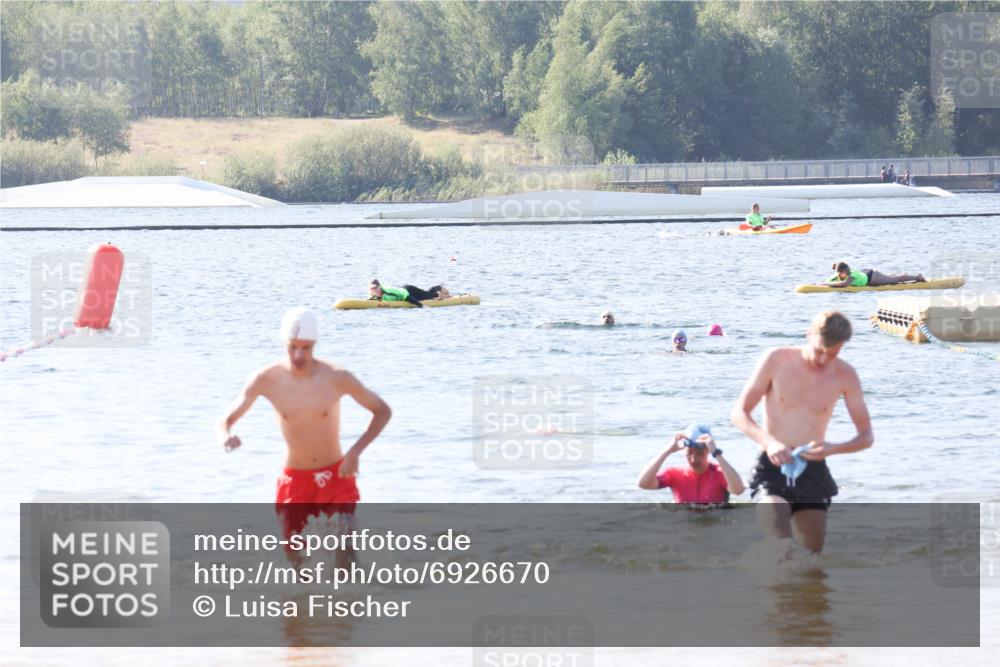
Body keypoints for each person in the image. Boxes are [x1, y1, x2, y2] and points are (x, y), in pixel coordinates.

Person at [218, 307, 392, 545]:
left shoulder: (336, 377)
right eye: (293, 347)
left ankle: (356, 581)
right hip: (295, 480)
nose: (299, 356)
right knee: (296, 560)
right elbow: (226, 420)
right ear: (284, 344)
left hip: (336, 476)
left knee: (344, 552)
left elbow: (382, 411)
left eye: (306, 348)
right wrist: (226, 435)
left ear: (315, 345)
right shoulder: (266, 379)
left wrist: (355, 452)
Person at [731, 310, 874, 553]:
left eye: (833, 354)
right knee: (783, 546)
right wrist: (769, 443)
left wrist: (833, 448)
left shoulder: (845, 375)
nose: (824, 360)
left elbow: (866, 436)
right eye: (819, 351)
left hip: (812, 470)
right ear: (809, 334)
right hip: (772, 466)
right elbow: (739, 413)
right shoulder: (776, 359)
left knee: (811, 560)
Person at [637, 424, 745, 503]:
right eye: (689, 453)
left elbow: (738, 490)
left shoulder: (720, 473)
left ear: (708, 451)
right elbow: (643, 483)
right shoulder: (674, 475)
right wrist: (667, 451)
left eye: (699, 454)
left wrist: (717, 453)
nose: (693, 459)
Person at [822, 261, 925, 288]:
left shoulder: (851, 275)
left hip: (872, 277)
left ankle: (917, 276)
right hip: (865, 273)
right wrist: (822, 283)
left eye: (848, 270)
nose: (848, 272)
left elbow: (844, 284)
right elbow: (828, 281)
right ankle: (900, 275)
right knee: (891, 277)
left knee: (895, 280)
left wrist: (826, 285)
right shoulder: (837, 274)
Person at [369, 279, 451, 308]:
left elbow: (408, 297)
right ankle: (436, 295)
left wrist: (422, 306)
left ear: (380, 286)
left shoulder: (388, 291)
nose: (374, 290)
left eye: (375, 288)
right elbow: (371, 300)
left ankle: (438, 289)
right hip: (402, 292)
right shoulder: (372, 293)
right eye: (372, 288)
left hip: (409, 291)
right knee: (426, 297)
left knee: (427, 296)